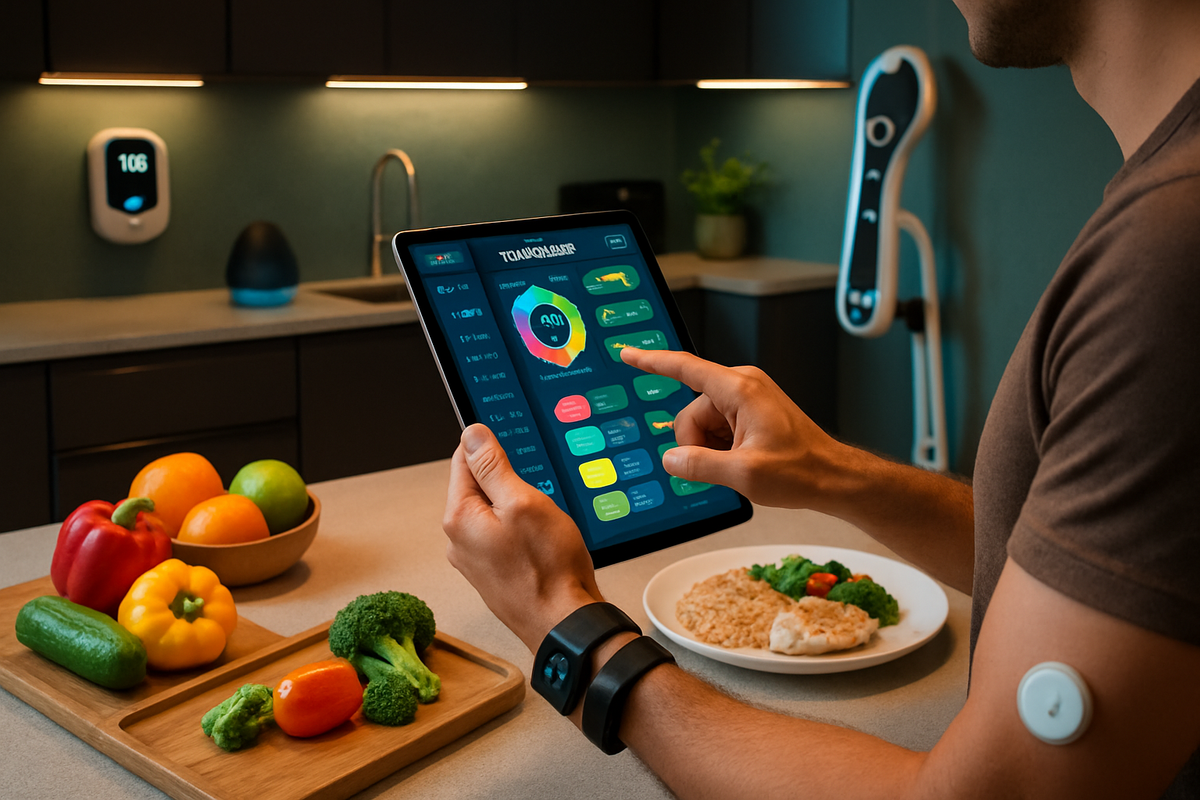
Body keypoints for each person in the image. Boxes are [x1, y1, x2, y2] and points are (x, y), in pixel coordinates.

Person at [442, 0, 1200, 796]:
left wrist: (568, 627)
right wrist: (833, 471)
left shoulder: (1168, 251)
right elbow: (1069, 554)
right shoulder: (1160, 207)